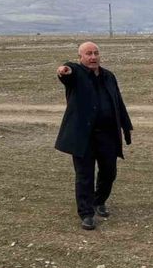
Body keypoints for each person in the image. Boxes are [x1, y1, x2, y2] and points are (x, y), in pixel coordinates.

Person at [55, 42, 133, 231]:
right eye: (88, 54)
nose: (93, 57)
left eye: (96, 53)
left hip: (107, 134)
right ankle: (86, 214)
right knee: (84, 175)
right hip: (83, 136)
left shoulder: (109, 76)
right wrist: (64, 70)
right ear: (80, 57)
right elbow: (68, 71)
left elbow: (118, 102)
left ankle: (99, 201)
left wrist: (126, 125)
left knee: (109, 172)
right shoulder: (76, 75)